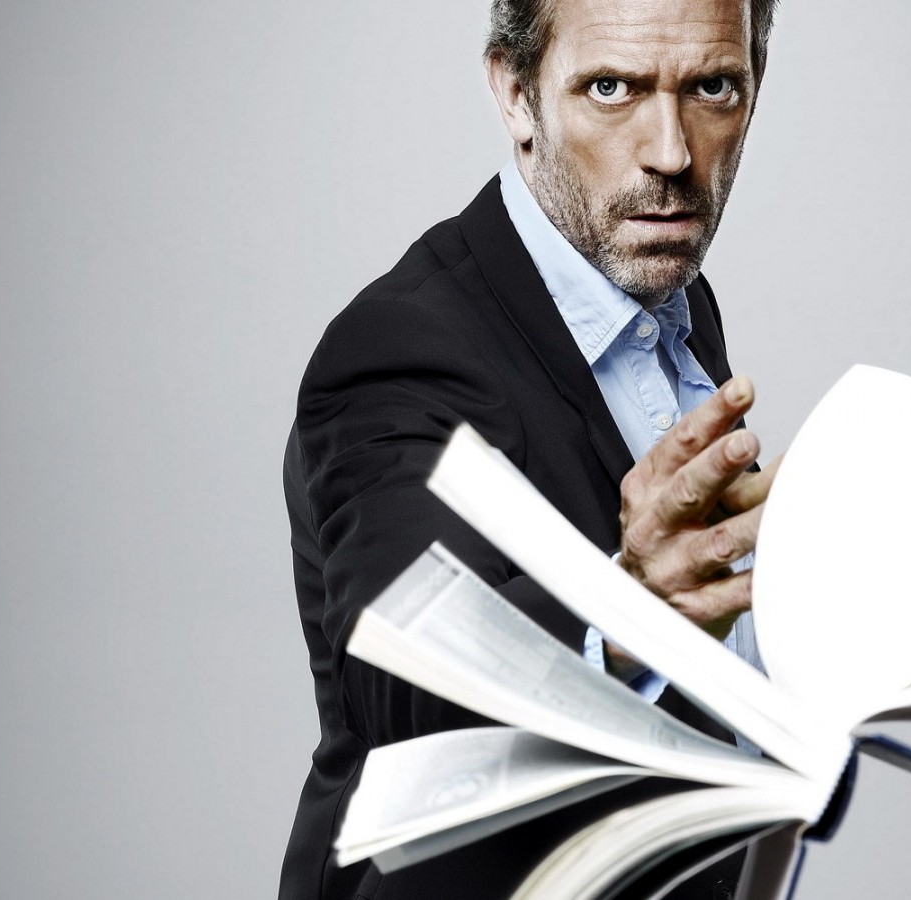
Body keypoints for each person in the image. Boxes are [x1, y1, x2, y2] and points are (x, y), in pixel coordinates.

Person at [281, 1, 781, 898]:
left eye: (713, 87)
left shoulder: (669, 295)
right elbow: (403, 675)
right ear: (517, 93)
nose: (672, 153)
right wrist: (626, 612)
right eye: (611, 88)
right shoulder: (400, 346)